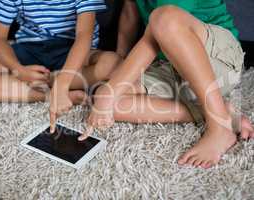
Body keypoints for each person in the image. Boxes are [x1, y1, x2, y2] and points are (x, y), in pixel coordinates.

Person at [79, 0, 254, 168]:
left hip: (217, 59)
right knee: (110, 102)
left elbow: (160, 28)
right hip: (170, 64)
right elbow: (129, 15)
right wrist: (119, 75)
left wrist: (111, 92)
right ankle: (220, 111)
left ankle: (219, 127)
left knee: (163, 17)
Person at [0, 0, 121, 109]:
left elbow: (84, 36)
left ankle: (53, 82)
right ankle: (47, 95)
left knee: (113, 64)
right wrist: (19, 70)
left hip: (72, 51)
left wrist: (63, 82)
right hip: (30, 48)